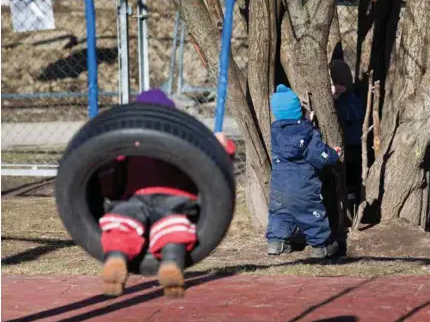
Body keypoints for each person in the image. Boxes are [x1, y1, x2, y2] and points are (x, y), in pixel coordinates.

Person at [96, 89, 237, 298]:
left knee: (122, 224)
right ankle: (171, 263)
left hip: (135, 197)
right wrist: (224, 146)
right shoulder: (184, 141)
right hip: (175, 198)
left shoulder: (128, 143)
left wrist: (103, 155)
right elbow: (212, 161)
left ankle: (116, 258)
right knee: (173, 228)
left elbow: (111, 175)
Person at [265, 84, 341, 258]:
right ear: (299, 111)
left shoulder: (275, 131)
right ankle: (320, 246)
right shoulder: (308, 133)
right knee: (311, 214)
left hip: (279, 188)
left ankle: (276, 244)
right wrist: (334, 155)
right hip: (303, 188)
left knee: (279, 214)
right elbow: (319, 156)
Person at [329, 60, 366, 201]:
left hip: (354, 143)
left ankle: (354, 199)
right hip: (341, 144)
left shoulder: (353, 99)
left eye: (340, 84)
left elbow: (355, 115)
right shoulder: (334, 100)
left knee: (353, 173)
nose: (337, 88)